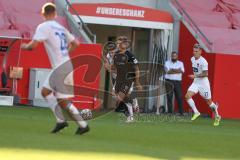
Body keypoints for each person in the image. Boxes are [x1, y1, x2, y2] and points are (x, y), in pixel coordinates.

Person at [21, 3, 89, 134]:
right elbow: (76, 43)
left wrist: (24, 46)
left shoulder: (44, 26)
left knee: (62, 101)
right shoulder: (61, 27)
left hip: (60, 67)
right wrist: (65, 54)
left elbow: (33, 46)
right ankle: (61, 121)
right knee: (45, 92)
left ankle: (82, 124)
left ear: (43, 13)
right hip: (63, 65)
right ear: (55, 14)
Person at [105, 38, 142, 122]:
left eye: (119, 43)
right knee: (117, 97)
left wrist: (137, 82)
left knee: (121, 96)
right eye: (117, 43)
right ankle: (133, 102)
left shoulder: (130, 55)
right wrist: (109, 67)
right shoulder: (116, 55)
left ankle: (130, 116)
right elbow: (115, 67)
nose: (117, 45)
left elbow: (136, 68)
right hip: (119, 78)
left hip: (128, 78)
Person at [185, 43, 221, 126]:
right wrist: (195, 77)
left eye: (196, 51)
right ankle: (196, 112)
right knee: (187, 96)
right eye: (193, 51)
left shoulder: (204, 61)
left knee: (209, 102)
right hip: (196, 82)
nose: (194, 53)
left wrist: (195, 75)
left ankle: (217, 116)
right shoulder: (192, 59)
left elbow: (206, 74)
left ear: (200, 52)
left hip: (203, 84)